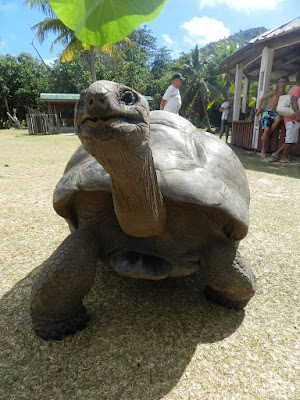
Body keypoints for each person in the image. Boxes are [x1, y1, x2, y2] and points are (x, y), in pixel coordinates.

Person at [256, 76, 289, 158]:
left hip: (275, 113)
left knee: (278, 119)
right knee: (266, 129)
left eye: (282, 82)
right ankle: (263, 150)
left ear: (286, 84)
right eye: (279, 82)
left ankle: (265, 135)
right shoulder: (274, 92)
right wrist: (259, 110)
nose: (280, 83)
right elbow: (261, 99)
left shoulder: (285, 94)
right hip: (267, 112)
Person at [271, 72, 300, 163]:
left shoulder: (292, 88)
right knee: (290, 139)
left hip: (289, 117)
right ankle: (283, 157)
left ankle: (278, 154)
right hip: (293, 118)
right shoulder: (298, 89)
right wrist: (298, 114)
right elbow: (294, 101)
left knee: (290, 139)